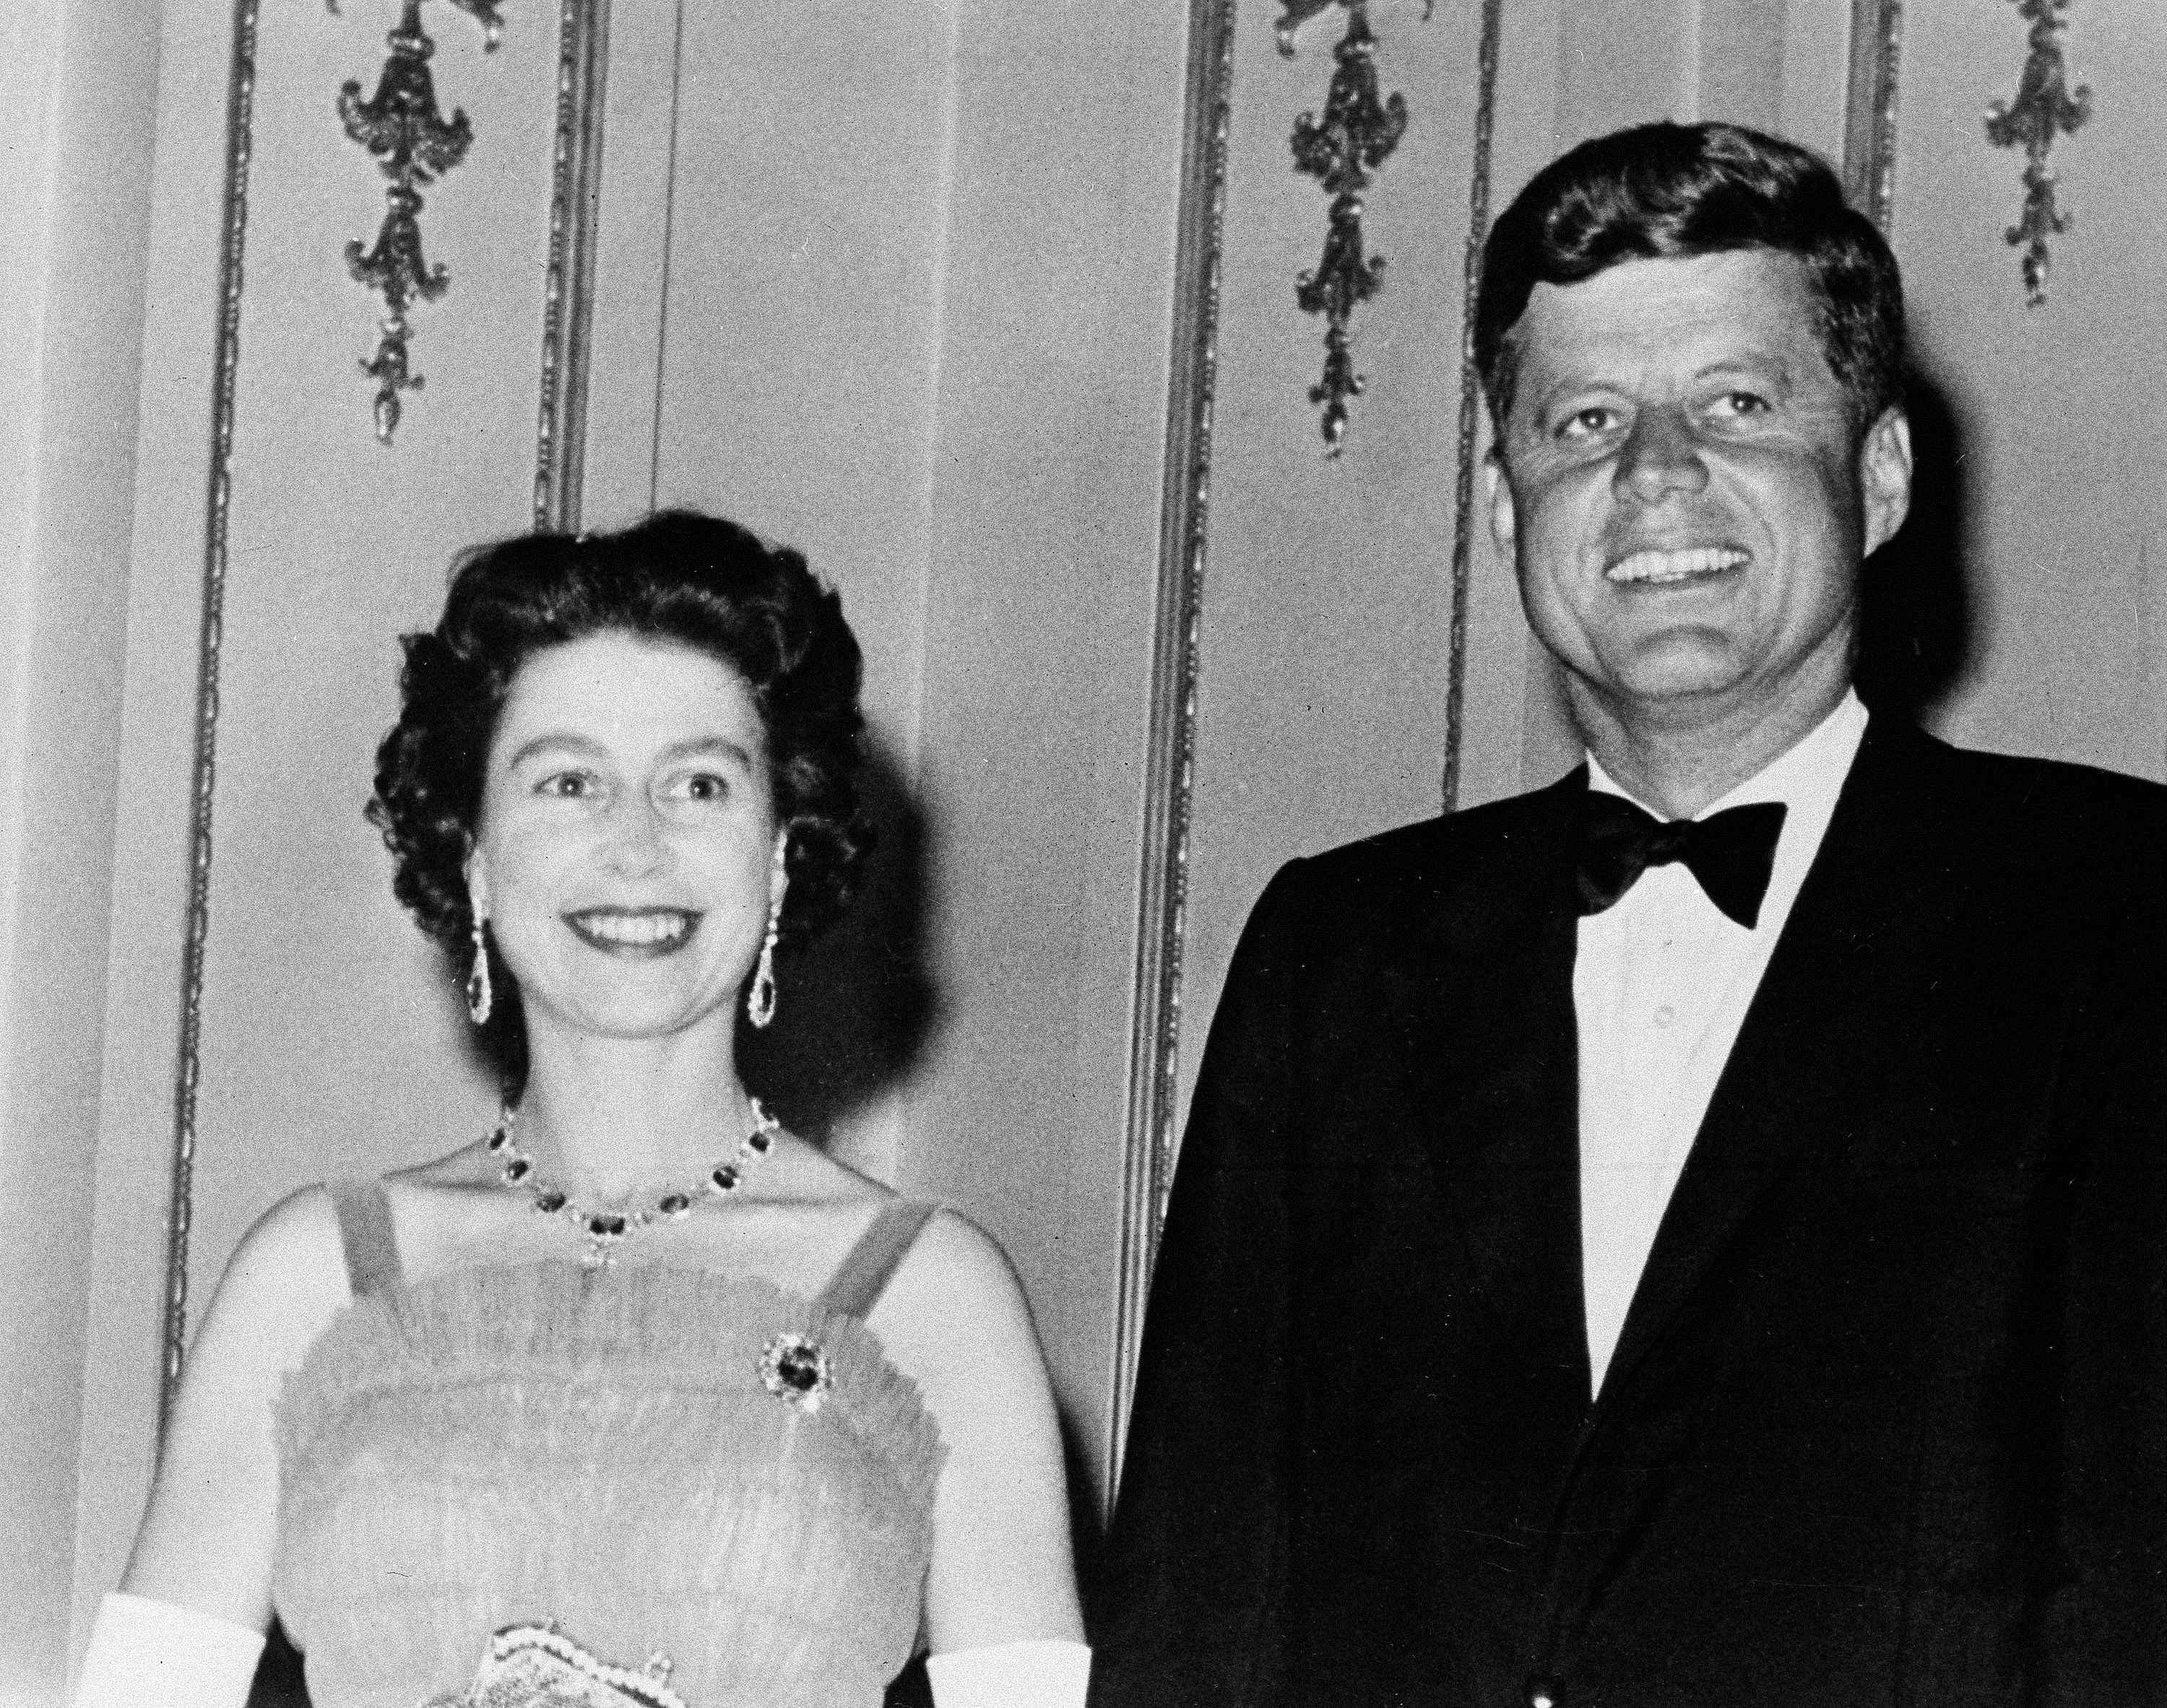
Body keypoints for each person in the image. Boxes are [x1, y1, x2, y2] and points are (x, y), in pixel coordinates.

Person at [1091, 122, 2167, 1708]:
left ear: (1878, 476)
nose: (1655, 474)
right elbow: (1199, 1593)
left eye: (1737, 402)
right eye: (1584, 419)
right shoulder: (1340, 951)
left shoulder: (2119, 914)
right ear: (1506, 492)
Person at [77, 511, 1089, 1708]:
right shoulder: (319, 1272)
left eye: (700, 783)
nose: (637, 846)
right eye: (568, 782)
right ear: (475, 855)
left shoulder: (934, 1291)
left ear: (778, 853)